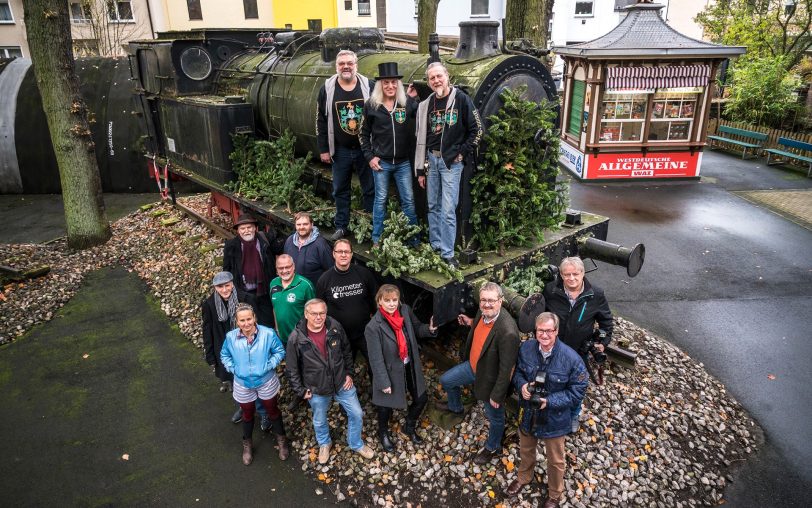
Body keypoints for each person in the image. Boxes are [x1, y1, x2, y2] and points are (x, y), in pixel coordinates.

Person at [505, 312, 588, 507]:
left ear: (556, 331)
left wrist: (549, 401)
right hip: (528, 411)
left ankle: (555, 494)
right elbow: (517, 373)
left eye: (548, 331)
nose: (544, 335)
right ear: (535, 331)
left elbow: (578, 391)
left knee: (556, 460)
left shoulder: (571, 358)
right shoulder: (526, 348)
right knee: (525, 449)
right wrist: (522, 386)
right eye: (540, 331)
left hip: (555, 416)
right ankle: (524, 477)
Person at [436, 282, 520, 464]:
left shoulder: (508, 332)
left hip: (489, 380)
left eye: (491, 301)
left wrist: (497, 395)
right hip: (473, 367)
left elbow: (507, 369)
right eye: (483, 300)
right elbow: (483, 329)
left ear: (501, 301)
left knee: (495, 417)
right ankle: (456, 407)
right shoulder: (483, 313)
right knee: (447, 380)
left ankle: (493, 447)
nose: (486, 304)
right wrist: (470, 322)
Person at [286, 299, 375, 464]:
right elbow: (292, 369)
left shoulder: (335, 327)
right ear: (306, 314)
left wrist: (349, 373)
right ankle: (324, 443)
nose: (318, 317)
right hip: (317, 389)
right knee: (319, 419)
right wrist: (301, 390)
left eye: (322, 313)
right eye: (314, 314)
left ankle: (356, 444)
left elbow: (347, 350)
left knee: (357, 413)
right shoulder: (296, 338)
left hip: (342, 383)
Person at [413, 62, 483, 268]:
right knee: (432, 205)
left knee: (447, 210)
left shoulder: (461, 99)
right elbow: (421, 138)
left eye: (439, 76)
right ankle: (435, 246)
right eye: (432, 78)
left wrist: (461, 153)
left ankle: (447, 253)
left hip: (451, 164)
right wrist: (421, 168)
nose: (436, 81)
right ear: (429, 82)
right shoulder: (426, 104)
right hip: (431, 161)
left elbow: (477, 130)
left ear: (447, 76)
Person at [543, 256, 613, 431]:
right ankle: (550, 412)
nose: (571, 278)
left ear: (583, 273)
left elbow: (606, 323)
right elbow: (540, 318)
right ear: (561, 274)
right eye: (567, 274)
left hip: (578, 351)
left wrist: (602, 342)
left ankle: (573, 415)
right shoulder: (550, 291)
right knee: (551, 381)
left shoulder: (596, 294)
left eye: (576, 273)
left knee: (577, 387)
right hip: (553, 348)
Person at [365, 284, 437, 452]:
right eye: (387, 300)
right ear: (379, 301)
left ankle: (409, 427)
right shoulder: (373, 327)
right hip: (389, 371)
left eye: (394, 300)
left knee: (421, 399)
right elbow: (375, 358)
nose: (391, 304)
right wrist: (383, 382)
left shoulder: (404, 310)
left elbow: (417, 328)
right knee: (385, 406)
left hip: (408, 364)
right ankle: (383, 433)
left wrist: (430, 329)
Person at [316, 49, 375, 241]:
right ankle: (342, 226)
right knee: (340, 189)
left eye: (350, 63)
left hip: (365, 148)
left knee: (370, 187)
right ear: (336, 67)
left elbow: (381, 113)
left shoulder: (369, 85)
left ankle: (369, 224)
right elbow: (321, 120)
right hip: (340, 149)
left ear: (356, 65)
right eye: (342, 64)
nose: (346, 66)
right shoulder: (327, 88)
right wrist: (324, 148)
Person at [220, 303, 289, 466]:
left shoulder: (268, 334)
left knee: (272, 410)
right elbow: (224, 355)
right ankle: (247, 445)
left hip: (266, 381)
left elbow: (280, 351)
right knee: (247, 413)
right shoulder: (231, 337)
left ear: (254, 318)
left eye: (249, 319)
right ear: (237, 322)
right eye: (242, 320)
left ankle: (281, 440)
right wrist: (233, 368)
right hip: (243, 383)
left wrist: (269, 365)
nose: (246, 323)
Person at [359, 62, 420, 247]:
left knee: (408, 201)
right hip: (381, 163)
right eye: (386, 83)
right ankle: (377, 238)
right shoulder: (371, 106)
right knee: (380, 201)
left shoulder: (406, 103)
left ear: (398, 84)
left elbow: (423, 112)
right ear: (380, 85)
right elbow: (362, 134)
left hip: (403, 163)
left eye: (394, 82)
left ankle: (413, 238)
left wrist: (415, 98)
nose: (390, 86)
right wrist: (370, 157)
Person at [201, 271, 270, 427]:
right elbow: (207, 330)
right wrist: (210, 354)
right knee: (236, 381)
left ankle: (263, 413)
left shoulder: (246, 299)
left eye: (227, 286)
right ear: (215, 287)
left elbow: (258, 325)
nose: (224, 290)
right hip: (226, 350)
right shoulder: (209, 304)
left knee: (254, 381)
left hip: (248, 349)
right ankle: (244, 408)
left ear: (232, 284)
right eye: (220, 287)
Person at [316, 238, 378, 377]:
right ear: (334, 254)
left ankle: (378, 394)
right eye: (340, 251)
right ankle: (347, 395)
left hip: (365, 332)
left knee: (376, 365)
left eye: (346, 251)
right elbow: (320, 308)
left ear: (351, 254)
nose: (343, 255)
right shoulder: (324, 280)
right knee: (342, 370)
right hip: (340, 335)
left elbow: (375, 299)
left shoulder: (364, 274)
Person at [223, 214, 281, 327]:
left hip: (264, 291)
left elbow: (279, 248)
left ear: (255, 228)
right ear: (238, 231)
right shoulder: (231, 246)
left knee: (268, 325)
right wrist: (238, 293)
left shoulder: (264, 240)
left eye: (249, 227)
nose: (246, 231)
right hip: (245, 294)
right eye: (242, 228)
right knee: (249, 325)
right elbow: (227, 272)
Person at [269, 254, 315, 345]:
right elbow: (275, 308)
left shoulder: (305, 285)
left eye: (287, 267)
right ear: (276, 270)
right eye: (281, 268)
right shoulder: (273, 283)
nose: (284, 271)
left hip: (301, 338)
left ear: (293, 266)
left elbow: (314, 312)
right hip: (281, 338)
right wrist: (277, 329)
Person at [282, 212, 333, 287]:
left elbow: (330, 270)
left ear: (312, 224)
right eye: (298, 224)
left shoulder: (320, 244)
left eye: (305, 224)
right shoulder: (289, 241)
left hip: (313, 292)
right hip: (294, 290)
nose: (301, 227)